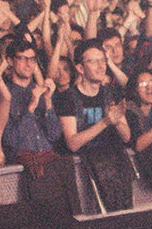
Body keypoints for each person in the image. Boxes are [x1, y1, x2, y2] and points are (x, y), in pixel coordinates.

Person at [55, 42, 132, 211]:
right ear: (80, 68)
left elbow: (127, 136)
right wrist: (105, 122)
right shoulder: (67, 98)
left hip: (114, 165)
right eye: (93, 61)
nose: (100, 66)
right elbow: (73, 143)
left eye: (103, 61)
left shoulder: (110, 93)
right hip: (85, 169)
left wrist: (117, 121)